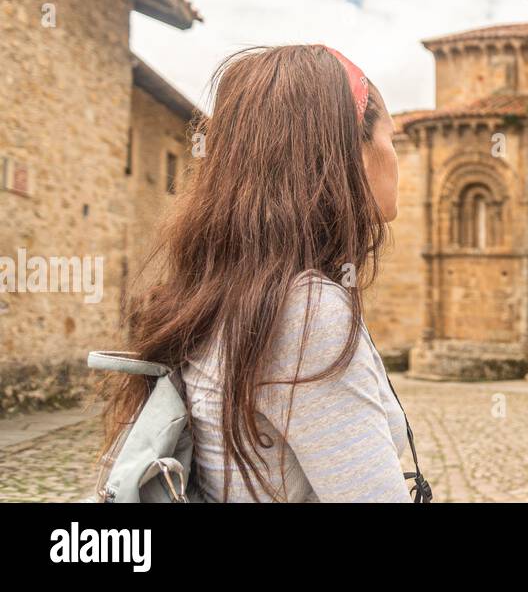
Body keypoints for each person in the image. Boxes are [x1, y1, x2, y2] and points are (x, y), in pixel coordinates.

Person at [101, 44, 419, 502]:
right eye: (391, 137)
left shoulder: (236, 288)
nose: (395, 156)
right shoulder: (306, 311)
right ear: (355, 151)